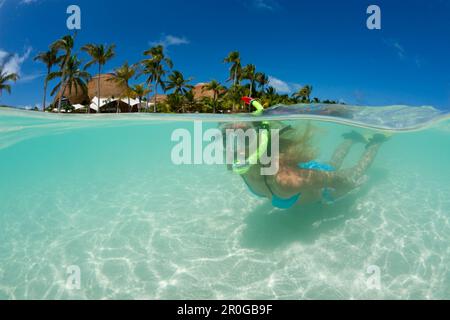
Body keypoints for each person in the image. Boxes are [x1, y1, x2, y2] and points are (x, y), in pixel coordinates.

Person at [223, 98, 389, 209]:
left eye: (245, 138)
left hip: (323, 191)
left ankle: (376, 142)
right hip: (309, 172)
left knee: (355, 173)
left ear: (263, 138)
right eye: (227, 138)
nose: (235, 148)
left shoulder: (285, 180)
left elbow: (338, 180)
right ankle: (352, 139)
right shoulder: (234, 164)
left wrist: (348, 190)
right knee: (332, 163)